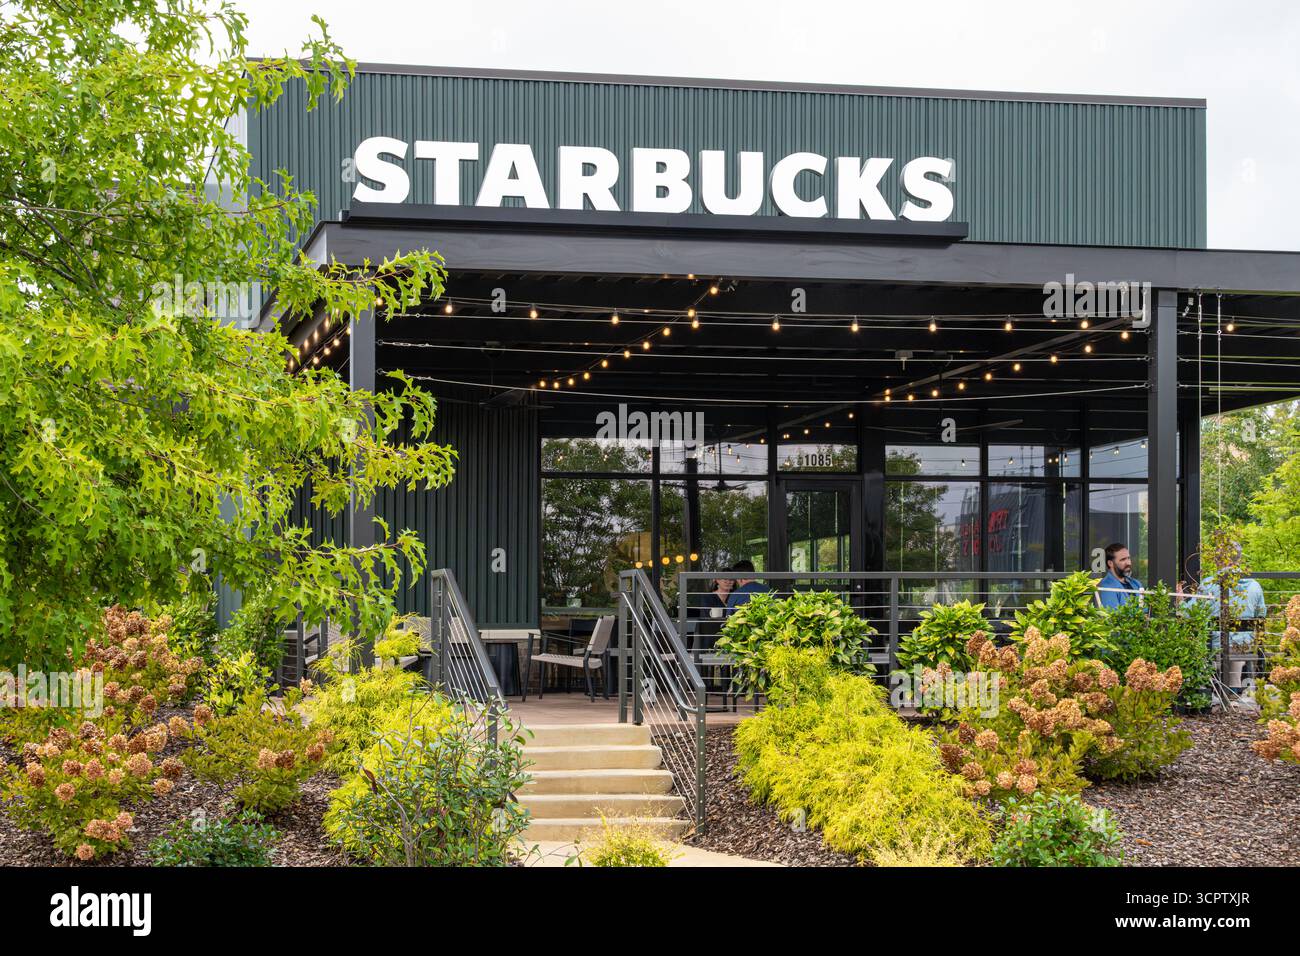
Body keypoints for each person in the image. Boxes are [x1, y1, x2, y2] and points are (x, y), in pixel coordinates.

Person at [1098, 543, 1144, 608]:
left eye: (1128, 558)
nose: (1128, 563)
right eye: (1123, 559)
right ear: (1110, 563)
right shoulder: (1106, 586)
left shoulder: (1136, 584)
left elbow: (1145, 611)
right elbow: (1113, 615)